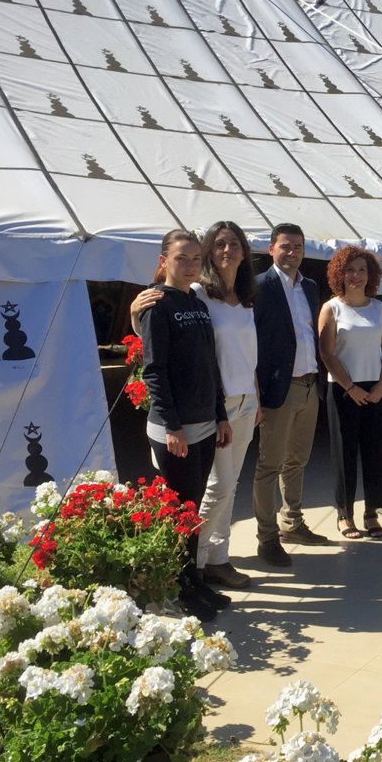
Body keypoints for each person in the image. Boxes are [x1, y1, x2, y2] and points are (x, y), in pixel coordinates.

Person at [131, 222, 261, 590]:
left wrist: (256, 395)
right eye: (219, 244)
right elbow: (153, 342)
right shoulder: (198, 292)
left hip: (240, 402)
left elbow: (243, 352)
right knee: (213, 490)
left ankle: (217, 559)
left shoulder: (245, 297)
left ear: (243, 251)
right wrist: (134, 310)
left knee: (228, 487)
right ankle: (194, 565)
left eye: (233, 244)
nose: (227, 250)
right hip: (205, 408)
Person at [138, 229, 233, 621]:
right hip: (175, 429)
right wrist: (172, 426)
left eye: (196, 258)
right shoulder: (156, 305)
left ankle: (193, 580)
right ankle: (175, 589)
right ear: (164, 261)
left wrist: (221, 414)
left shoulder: (196, 302)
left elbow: (210, 363)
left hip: (205, 422)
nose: (191, 265)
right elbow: (154, 371)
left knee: (192, 510)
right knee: (179, 511)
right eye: (182, 258)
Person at [252, 223, 330, 566]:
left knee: (297, 460)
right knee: (269, 464)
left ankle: (292, 522)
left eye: (297, 247)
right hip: (278, 387)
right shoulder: (259, 287)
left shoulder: (310, 287)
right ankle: (267, 537)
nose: (292, 252)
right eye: (285, 246)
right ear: (271, 249)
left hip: (310, 384)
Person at [318, 246, 382, 538]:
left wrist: (381, 385)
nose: (356, 275)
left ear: (370, 275)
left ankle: (372, 512)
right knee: (344, 454)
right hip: (343, 389)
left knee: (377, 452)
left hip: (375, 388)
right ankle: (344, 514)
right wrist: (350, 387)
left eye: (362, 270)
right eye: (350, 270)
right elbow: (327, 354)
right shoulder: (332, 308)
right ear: (340, 273)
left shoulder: (379, 308)